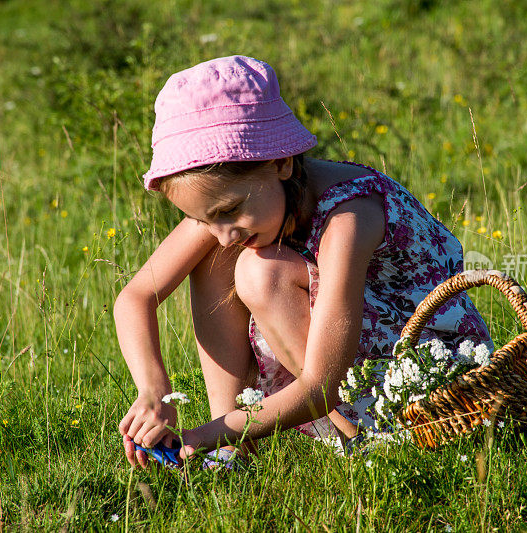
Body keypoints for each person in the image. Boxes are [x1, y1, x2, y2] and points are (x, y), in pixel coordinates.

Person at [115, 55, 492, 469]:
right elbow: (134, 297)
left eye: (228, 211)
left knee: (261, 272)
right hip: (343, 364)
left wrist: (202, 434)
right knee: (215, 256)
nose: (222, 231)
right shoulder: (240, 198)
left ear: (281, 162)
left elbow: (321, 387)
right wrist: (154, 392)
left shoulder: (351, 216)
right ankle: (233, 452)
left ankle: (366, 444)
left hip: (428, 373)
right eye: (205, 218)